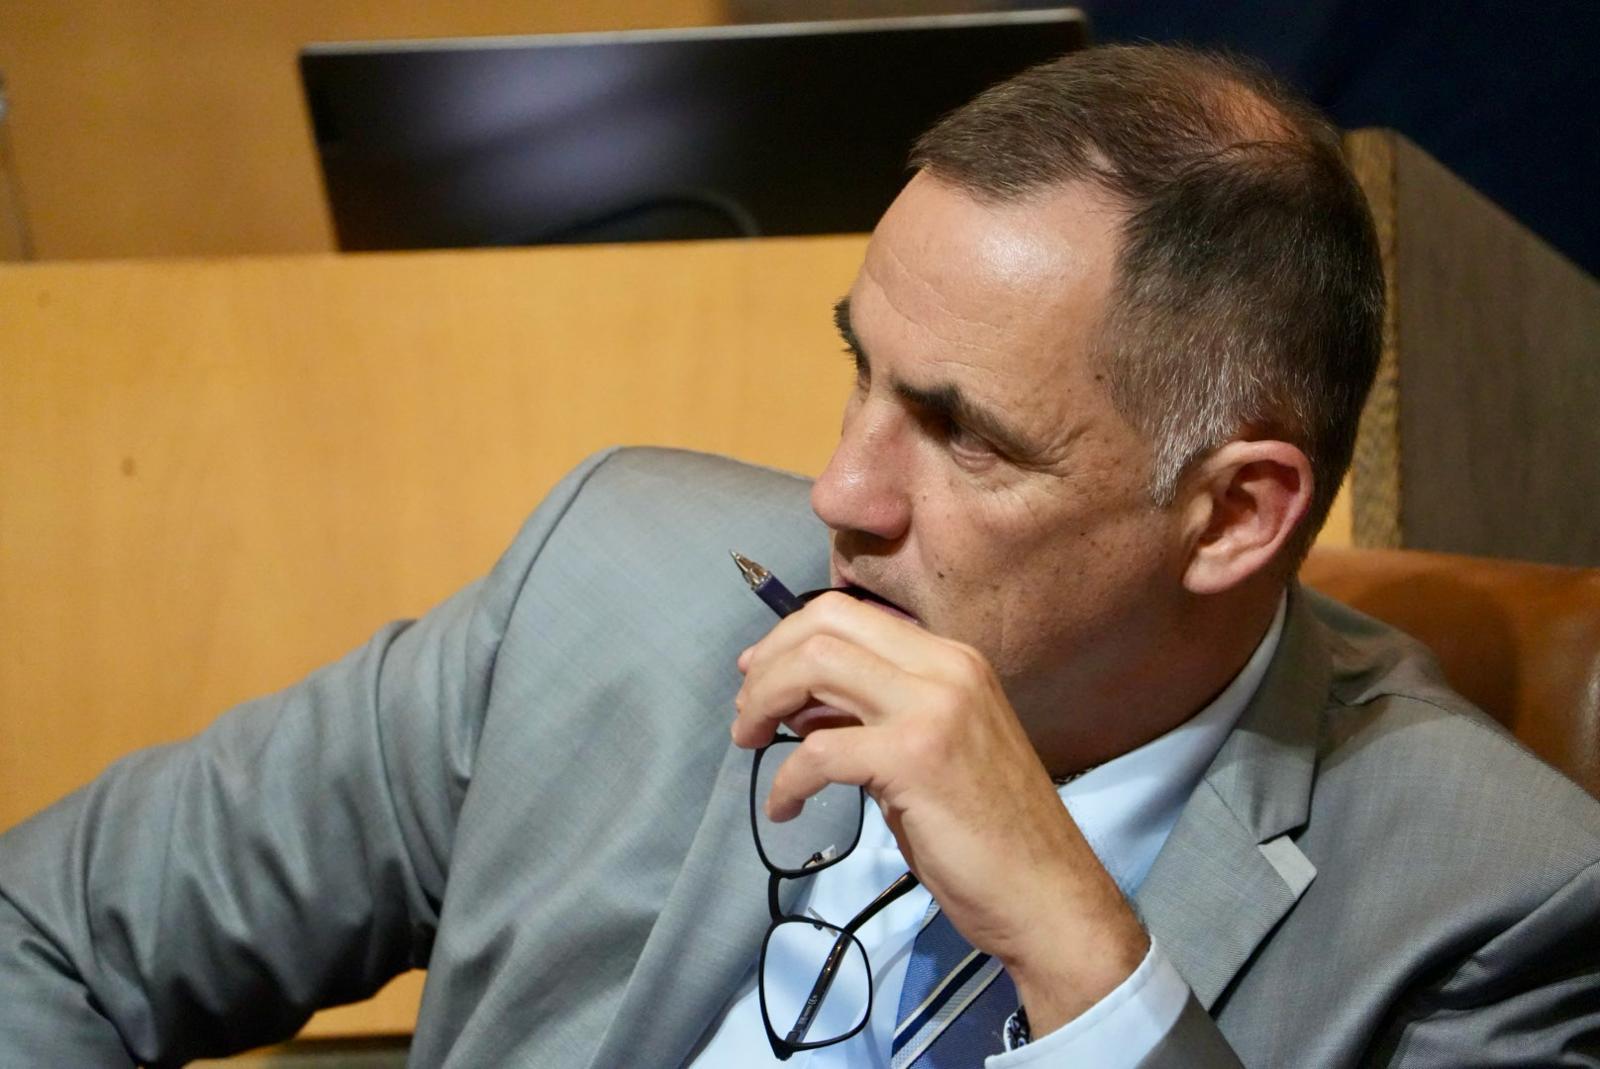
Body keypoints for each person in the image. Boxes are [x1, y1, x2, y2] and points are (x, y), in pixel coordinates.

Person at [2, 43, 1597, 1069]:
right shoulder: (615, 578)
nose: (840, 491)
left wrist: (1082, 953)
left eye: (963, 435)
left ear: (1235, 514)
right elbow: (53, 931)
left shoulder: (1499, 903)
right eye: (860, 372)